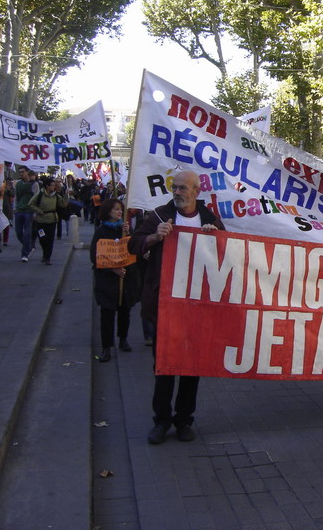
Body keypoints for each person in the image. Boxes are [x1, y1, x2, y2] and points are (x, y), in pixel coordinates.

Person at [128, 170, 224, 444]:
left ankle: (184, 420)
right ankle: (161, 421)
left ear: (196, 191)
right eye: (175, 187)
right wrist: (153, 238)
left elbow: (225, 252)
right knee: (165, 367)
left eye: (184, 188)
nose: (178, 192)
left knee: (192, 367)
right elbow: (134, 244)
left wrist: (215, 237)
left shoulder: (210, 218)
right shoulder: (158, 215)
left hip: (197, 306)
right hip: (164, 305)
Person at [90, 198, 141, 362]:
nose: (119, 212)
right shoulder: (101, 232)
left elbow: (132, 250)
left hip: (126, 279)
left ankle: (123, 338)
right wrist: (112, 269)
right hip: (108, 281)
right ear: (108, 212)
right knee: (107, 314)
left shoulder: (124, 230)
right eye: (116, 210)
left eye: (121, 210)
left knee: (125, 310)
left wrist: (129, 234)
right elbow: (95, 256)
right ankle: (106, 347)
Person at [28, 177, 65, 265]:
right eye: (52, 185)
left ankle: (47, 257)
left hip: (52, 220)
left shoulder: (56, 195)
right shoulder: (40, 194)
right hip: (41, 221)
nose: (54, 187)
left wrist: (66, 196)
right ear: (47, 186)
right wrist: (38, 211)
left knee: (50, 239)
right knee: (42, 238)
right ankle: (45, 253)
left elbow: (63, 204)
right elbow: (31, 204)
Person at [14, 167, 38, 262]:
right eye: (20, 172)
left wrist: (35, 212)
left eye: (23, 172)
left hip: (29, 211)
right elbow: (17, 197)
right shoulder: (18, 184)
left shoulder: (34, 184)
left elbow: (37, 198)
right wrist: (16, 208)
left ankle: (25, 254)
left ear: (27, 172)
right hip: (19, 210)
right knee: (19, 232)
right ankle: (29, 247)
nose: (21, 174)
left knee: (27, 233)